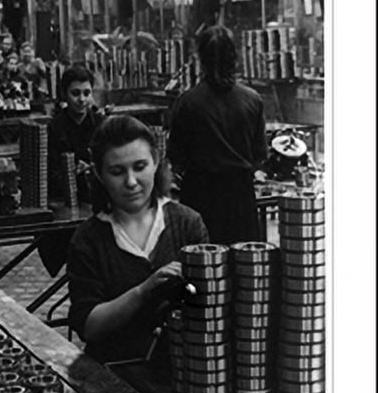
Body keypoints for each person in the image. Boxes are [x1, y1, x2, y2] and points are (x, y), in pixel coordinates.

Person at [67, 115, 209, 365]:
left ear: (156, 162)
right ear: (99, 174)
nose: (131, 182)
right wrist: (143, 291)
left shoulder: (187, 224)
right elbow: (89, 326)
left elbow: (208, 301)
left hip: (183, 372)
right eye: (117, 171)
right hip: (112, 374)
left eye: (140, 166)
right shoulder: (88, 240)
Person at [167, 25, 267, 244]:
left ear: (200, 59)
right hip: (241, 199)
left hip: (200, 197)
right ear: (234, 56)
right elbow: (260, 154)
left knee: (202, 266)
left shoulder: (187, 102)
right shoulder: (252, 100)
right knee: (243, 265)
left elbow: (176, 156)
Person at [47, 64, 104, 202]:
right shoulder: (54, 129)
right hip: (64, 199)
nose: (82, 100)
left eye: (86, 93)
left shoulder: (102, 125)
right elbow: (50, 176)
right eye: (75, 93)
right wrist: (72, 172)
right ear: (64, 94)